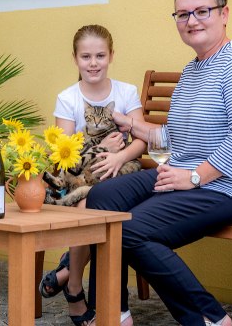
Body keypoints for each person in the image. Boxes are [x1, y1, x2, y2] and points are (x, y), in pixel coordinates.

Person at [84, 0, 232, 326]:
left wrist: (194, 176)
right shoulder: (193, 70)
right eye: (183, 14)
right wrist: (133, 126)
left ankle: (209, 318)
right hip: (186, 173)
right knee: (103, 198)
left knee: (127, 229)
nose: (191, 21)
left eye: (202, 11)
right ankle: (114, 312)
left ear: (224, 14)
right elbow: (178, 136)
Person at [39, 24, 146, 326]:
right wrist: (100, 144)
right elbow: (64, 150)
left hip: (120, 177)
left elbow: (141, 139)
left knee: (101, 204)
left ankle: (67, 275)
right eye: (86, 56)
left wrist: (119, 157)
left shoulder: (126, 92)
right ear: (75, 59)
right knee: (92, 205)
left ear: (112, 55)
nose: (93, 62)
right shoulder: (68, 97)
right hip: (78, 182)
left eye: (100, 55)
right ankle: (75, 289)